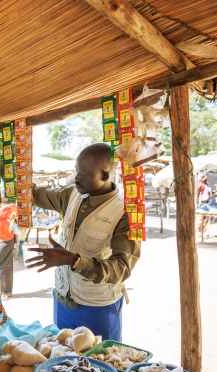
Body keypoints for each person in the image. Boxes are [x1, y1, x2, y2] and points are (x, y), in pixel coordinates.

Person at [25, 143, 141, 342]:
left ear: (105, 175)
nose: (77, 177)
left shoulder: (125, 212)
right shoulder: (71, 195)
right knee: (62, 361)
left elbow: (122, 268)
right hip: (63, 300)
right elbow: (33, 193)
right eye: (76, 170)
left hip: (98, 307)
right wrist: (3, 168)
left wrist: (75, 260)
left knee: (100, 366)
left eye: (84, 173)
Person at [0, 199, 18, 299]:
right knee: (7, 266)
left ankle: (1, 292)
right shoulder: (14, 208)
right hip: (10, 239)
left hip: (2, 241)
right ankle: (8, 291)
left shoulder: (3, 209)